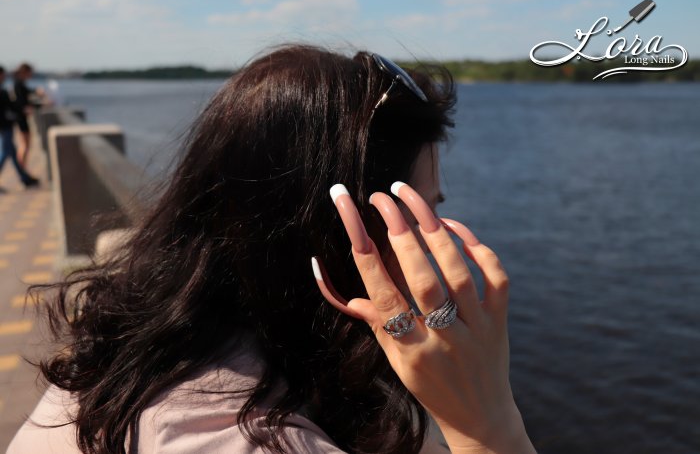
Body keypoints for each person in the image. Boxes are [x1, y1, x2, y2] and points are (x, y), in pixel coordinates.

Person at [8, 45, 535, 453]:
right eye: (415, 216)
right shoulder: (253, 438)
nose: (433, 239)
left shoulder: (158, 347)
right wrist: (489, 424)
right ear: (341, 236)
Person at [0, 65, 40, 189]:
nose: (4, 77)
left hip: (7, 125)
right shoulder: (5, 90)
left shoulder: (4, 90)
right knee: (7, 152)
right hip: (4, 126)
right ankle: (25, 178)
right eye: (3, 74)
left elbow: (12, 106)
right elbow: (10, 107)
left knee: (11, 152)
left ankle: (24, 178)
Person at [13, 62, 47, 169]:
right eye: (30, 73)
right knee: (25, 145)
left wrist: (37, 94)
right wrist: (40, 104)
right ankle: (22, 169)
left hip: (21, 117)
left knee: (25, 144)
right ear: (25, 72)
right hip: (21, 118)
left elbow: (26, 95)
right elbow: (22, 103)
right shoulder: (18, 84)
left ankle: (22, 169)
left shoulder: (19, 83)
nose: (31, 75)